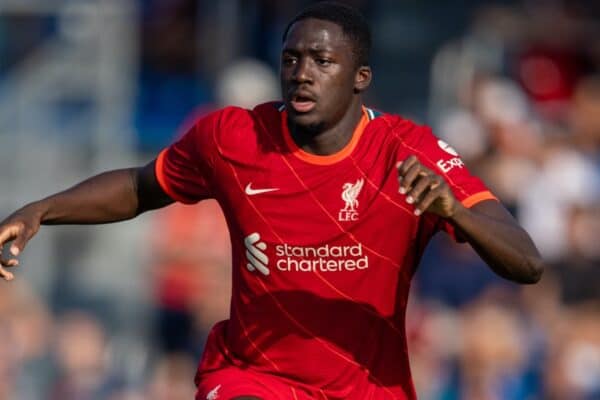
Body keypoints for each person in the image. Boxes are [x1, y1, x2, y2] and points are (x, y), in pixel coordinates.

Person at [0, 2, 544, 399]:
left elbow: (526, 262)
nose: (302, 73)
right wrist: (41, 210)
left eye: (322, 62)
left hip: (369, 388)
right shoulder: (232, 138)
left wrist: (456, 212)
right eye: (292, 59)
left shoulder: (408, 152)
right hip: (251, 379)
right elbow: (141, 187)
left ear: (361, 79)